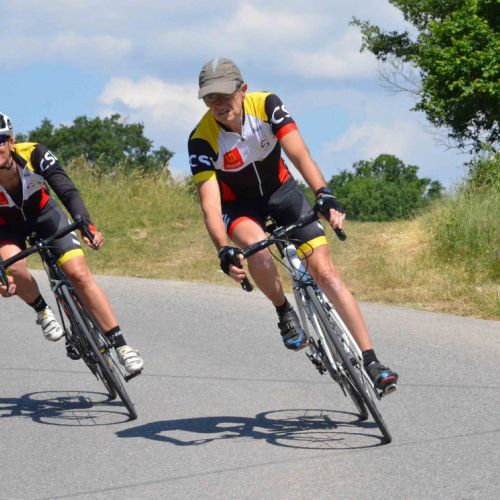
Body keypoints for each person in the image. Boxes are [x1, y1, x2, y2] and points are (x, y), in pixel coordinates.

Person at [188, 58, 398, 393]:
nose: (218, 104)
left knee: (327, 274)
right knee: (257, 250)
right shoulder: (201, 139)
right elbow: (210, 204)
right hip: (240, 207)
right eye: (210, 98)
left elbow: (299, 154)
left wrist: (323, 194)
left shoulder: (267, 105)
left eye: (224, 94)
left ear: (242, 90)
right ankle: (283, 310)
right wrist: (222, 248)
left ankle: (372, 361)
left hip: (282, 193)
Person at [0, 112, 143, 375]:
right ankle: (42, 310)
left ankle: (122, 346)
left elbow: (65, 188)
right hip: (6, 227)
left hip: (45, 215)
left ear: (11, 141)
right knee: (14, 267)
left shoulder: (34, 153)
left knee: (78, 273)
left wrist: (85, 223)